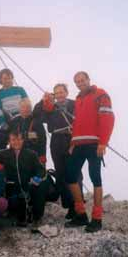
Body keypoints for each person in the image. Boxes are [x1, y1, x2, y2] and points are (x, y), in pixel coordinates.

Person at [65, 71, 115, 232]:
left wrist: (103, 143)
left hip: (94, 144)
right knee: (70, 176)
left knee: (95, 178)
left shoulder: (101, 94)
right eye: (77, 82)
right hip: (78, 144)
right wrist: (73, 142)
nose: (80, 83)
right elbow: (77, 123)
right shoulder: (78, 99)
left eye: (82, 80)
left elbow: (108, 118)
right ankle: (81, 215)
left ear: (88, 79)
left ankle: (97, 218)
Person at [34, 84, 83, 219]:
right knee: (60, 173)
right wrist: (43, 100)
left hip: (72, 139)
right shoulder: (51, 107)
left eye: (62, 92)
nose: (59, 95)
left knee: (74, 173)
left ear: (66, 93)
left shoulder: (75, 104)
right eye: (56, 93)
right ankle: (69, 206)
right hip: (56, 140)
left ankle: (78, 205)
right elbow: (37, 115)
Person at [0, 130, 48, 233]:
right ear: (9, 141)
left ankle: (37, 218)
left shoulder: (31, 154)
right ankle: (16, 215)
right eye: (13, 139)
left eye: (19, 139)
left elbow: (40, 169)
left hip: (28, 185)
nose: (16, 142)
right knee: (18, 213)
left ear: (23, 140)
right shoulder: (2, 154)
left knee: (40, 187)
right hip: (12, 188)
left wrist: (38, 177)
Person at [0, 99, 47, 165]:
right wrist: (3, 151)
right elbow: (0, 136)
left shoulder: (37, 122)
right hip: (16, 156)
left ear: (31, 109)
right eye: (23, 107)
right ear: (19, 109)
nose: (26, 109)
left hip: (33, 156)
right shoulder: (13, 121)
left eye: (28, 107)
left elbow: (42, 140)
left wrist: (42, 156)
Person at [0, 68, 28, 150]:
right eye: (5, 78)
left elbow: (27, 104)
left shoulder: (20, 90)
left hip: (21, 119)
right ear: (1, 80)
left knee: (23, 139)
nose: (7, 80)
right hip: (8, 120)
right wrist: (3, 123)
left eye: (9, 78)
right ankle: (4, 157)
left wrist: (27, 117)